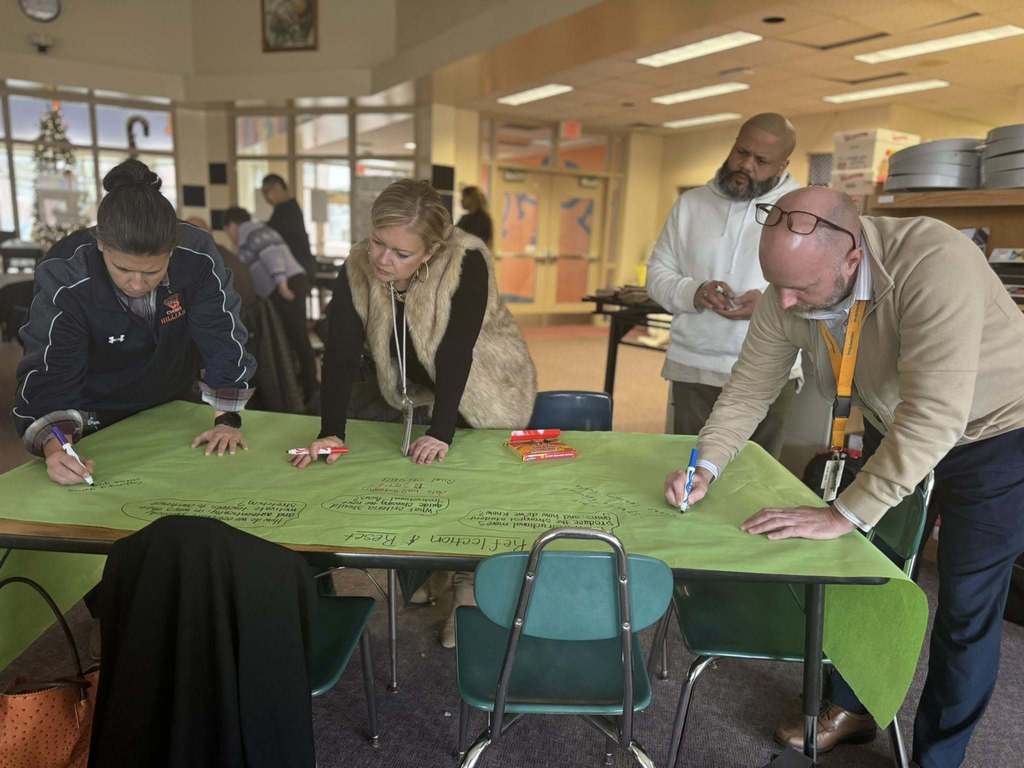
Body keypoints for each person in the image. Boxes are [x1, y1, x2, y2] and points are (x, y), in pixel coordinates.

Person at [664, 186, 1024, 768]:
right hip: (897, 418)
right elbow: (750, 388)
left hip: (1000, 431)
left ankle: (939, 757)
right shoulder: (790, 288)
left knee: (965, 604)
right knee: (869, 574)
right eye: (776, 282)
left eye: (800, 289)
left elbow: (938, 413)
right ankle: (854, 707)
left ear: (852, 259)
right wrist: (705, 465)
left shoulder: (934, 261)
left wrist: (842, 514)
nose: (783, 300)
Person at [292, 178, 536, 646]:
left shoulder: (466, 260)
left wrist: (443, 432)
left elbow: (456, 351)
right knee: (413, 481)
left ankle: (467, 584)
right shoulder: (362, 262)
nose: (383, 259)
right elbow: (340, 349)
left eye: (400, 254)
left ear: (430, 252)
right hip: (415, 386)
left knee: (465, 485)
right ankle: (436, 568)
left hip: (486, 385)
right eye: (378, 243)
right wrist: (330, 432)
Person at [13, 159, 256, 485]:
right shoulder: (66, 273)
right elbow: (51, 369)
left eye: (152, 272)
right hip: (91, 414)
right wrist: (57, 447)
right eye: (123, 270)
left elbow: (222, 333)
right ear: (101, 244)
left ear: (171, 251)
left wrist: (226, 419)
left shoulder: (196, 254)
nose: (138, 284)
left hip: (170, 403)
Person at [646, 113, 802, 458]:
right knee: (687, 469)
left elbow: (825, 292)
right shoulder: (691, 204)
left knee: (756, 477)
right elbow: (657, 273)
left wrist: (769, 303)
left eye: (761, 161)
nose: (745, 165)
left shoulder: (803, 209)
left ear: (783, 164)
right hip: (695, 365)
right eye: (741, 152)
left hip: (767, 369)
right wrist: (694, 291)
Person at [223, 206, 319, 411]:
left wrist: (282, 284)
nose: (229, 236)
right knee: (291, 339)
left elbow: (271, 253)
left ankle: (312, 391)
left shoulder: (251, 231)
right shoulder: (252, 234)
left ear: (232, 225)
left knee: (298, 338)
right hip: (283, 286)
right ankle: (301, 389)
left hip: (287, 284)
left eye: (227, 231)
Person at [261, 174, 316, 278]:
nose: (266, 199)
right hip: (301, 267)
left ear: (277, 188)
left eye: (266, 193)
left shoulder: (285, 210)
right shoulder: (290, 207)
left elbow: (271, 232)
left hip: (296, 270)